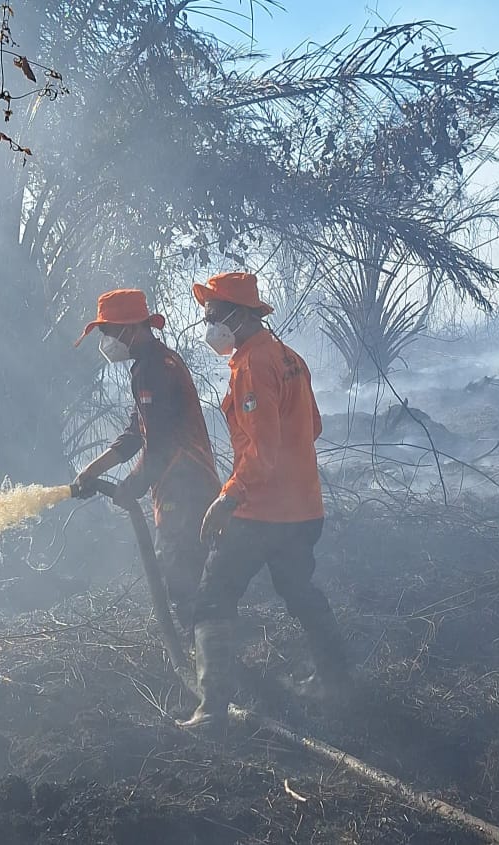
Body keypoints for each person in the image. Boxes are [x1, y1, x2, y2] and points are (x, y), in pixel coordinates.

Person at [178, 271, 350, 729]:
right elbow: (312, 427)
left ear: (240, 315)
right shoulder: (289, 357)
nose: (208, 324)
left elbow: (262, 453)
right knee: (299, 591)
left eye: (213, 315)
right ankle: (337, 681)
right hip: (302, 510)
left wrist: (227, 497)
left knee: (213, 598)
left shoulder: (254, 365)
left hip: (259, 514)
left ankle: (212, 709)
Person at [72, 289, 221, 631]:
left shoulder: (154, 368)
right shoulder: (149, 365)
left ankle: (204, 661)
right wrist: (91, 471)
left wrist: (132, 486)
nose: (106, 341)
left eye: (108, 332)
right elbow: (136, 431)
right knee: (183, 575)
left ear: (129, 328)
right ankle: (200, 651)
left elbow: (160, 445)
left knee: (181, 576)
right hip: (183, 483)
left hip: (185, 487)